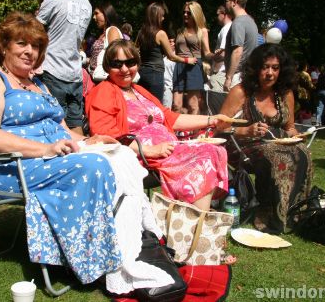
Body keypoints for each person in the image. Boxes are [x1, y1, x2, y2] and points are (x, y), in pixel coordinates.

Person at [0, 12, 174, 293]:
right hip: (12, 166)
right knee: (95, 167)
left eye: (36, 46)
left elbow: (65, 132)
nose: (30, 52)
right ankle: (96, 258)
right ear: (4, 45)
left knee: (121, 155)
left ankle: (135, 243)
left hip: (52, 158)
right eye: (21, 44)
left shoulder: (37, 84)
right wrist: (45, 149)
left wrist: (91, 139)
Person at [86, 39, 229, 211]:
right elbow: (105, 136)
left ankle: (194, 219)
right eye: (117, 64)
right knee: (205, 155)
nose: (124, 69)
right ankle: (197, 221)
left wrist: (211, 120)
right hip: (141, 156)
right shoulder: (103, 91)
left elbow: (169, 118)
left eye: (130, 63)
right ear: (108, 67)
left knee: (216, 150)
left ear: (137, 64)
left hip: (167, 148)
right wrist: (150, 150)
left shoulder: (138, 90)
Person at [218, 43, 312, 234]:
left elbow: (289, 127)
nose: (270, 73)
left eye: (275, 68)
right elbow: (220, 126)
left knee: (303, 153)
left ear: (281, 70)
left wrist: (297, 137)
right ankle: (266, 210)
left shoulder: (285, 94)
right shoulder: (241, 92)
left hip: (277, 143)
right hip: (241, 144)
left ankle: (292, 211)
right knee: (277, 157)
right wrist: (246, 131)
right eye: (265, 67)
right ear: (255, 69)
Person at [37, 0, 91, 135]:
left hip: (52, 70)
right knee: (75, 125)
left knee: (53, 123)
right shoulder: (88, 5)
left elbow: (32, 31)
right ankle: (80, 158)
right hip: (75, 75)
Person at [136, 2, 197, 102]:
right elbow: (171, 56)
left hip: (142, 73)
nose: (163, 19)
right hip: (155, 74)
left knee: (143, 104)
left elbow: (137, 51)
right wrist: (187, 60)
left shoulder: (141, 32)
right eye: (162, 16)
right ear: (156, 16)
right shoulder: (160, 33)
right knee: (156, 106)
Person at [172, 1, 214, 114]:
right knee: (176, 105)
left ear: (195, 14)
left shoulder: (202, 31)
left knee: (193, 104)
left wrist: (216, 56)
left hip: (194, 67)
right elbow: (175, 52)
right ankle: (178, 131)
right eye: (184, 12)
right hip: (179, 66)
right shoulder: (180, 31)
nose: (185, 15)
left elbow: (207, 52)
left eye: (189, 13)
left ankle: (194, 131)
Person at [223, 0, 258, 92]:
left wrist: (229, 78)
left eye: (226, 1)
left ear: (234, 2)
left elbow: (238, 51)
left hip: (237, 77)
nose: (225, 4)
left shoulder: (238, 23)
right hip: (247, 75)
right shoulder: (251, 21)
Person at [88, 2, 122, 81]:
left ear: (106, 13)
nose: (94, 17)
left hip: (103, 80)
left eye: (96, 13)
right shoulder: (102, 34)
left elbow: (116, 57)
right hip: (94, 78)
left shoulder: (112, 30)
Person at [208, 5, 232, 93]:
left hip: (221, 73)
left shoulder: (226, 29)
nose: (216, 17)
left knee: (216, 102)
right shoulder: (231, 27)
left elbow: (223, 53)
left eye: (217, 14)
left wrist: (214, 71)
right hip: (224, 72)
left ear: (224, 14)